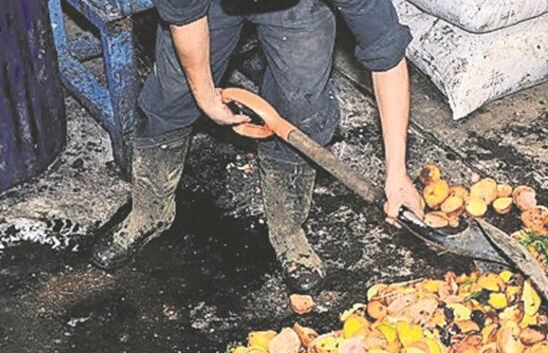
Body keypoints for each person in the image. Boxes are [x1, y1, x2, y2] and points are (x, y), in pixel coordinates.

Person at [92, 0, 423, 290]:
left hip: (298, 7)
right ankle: (150, 211)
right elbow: (183, 17)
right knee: (174, 91)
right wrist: (206, 96)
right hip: (209, 6)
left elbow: (386, 54)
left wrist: (397, 173)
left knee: (302, 102)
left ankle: (288, 229)